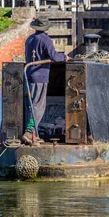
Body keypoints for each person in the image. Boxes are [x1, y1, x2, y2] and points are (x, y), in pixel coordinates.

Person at [23, 17, 68, 145]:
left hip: (29, 75)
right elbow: (54, 56)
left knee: (30, 105)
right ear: (46, 28)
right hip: (40, 77)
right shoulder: (45, 39)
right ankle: (29, 131)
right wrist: (65, 57)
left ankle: (33, 135)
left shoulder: (29, 39)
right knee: (38, 106)